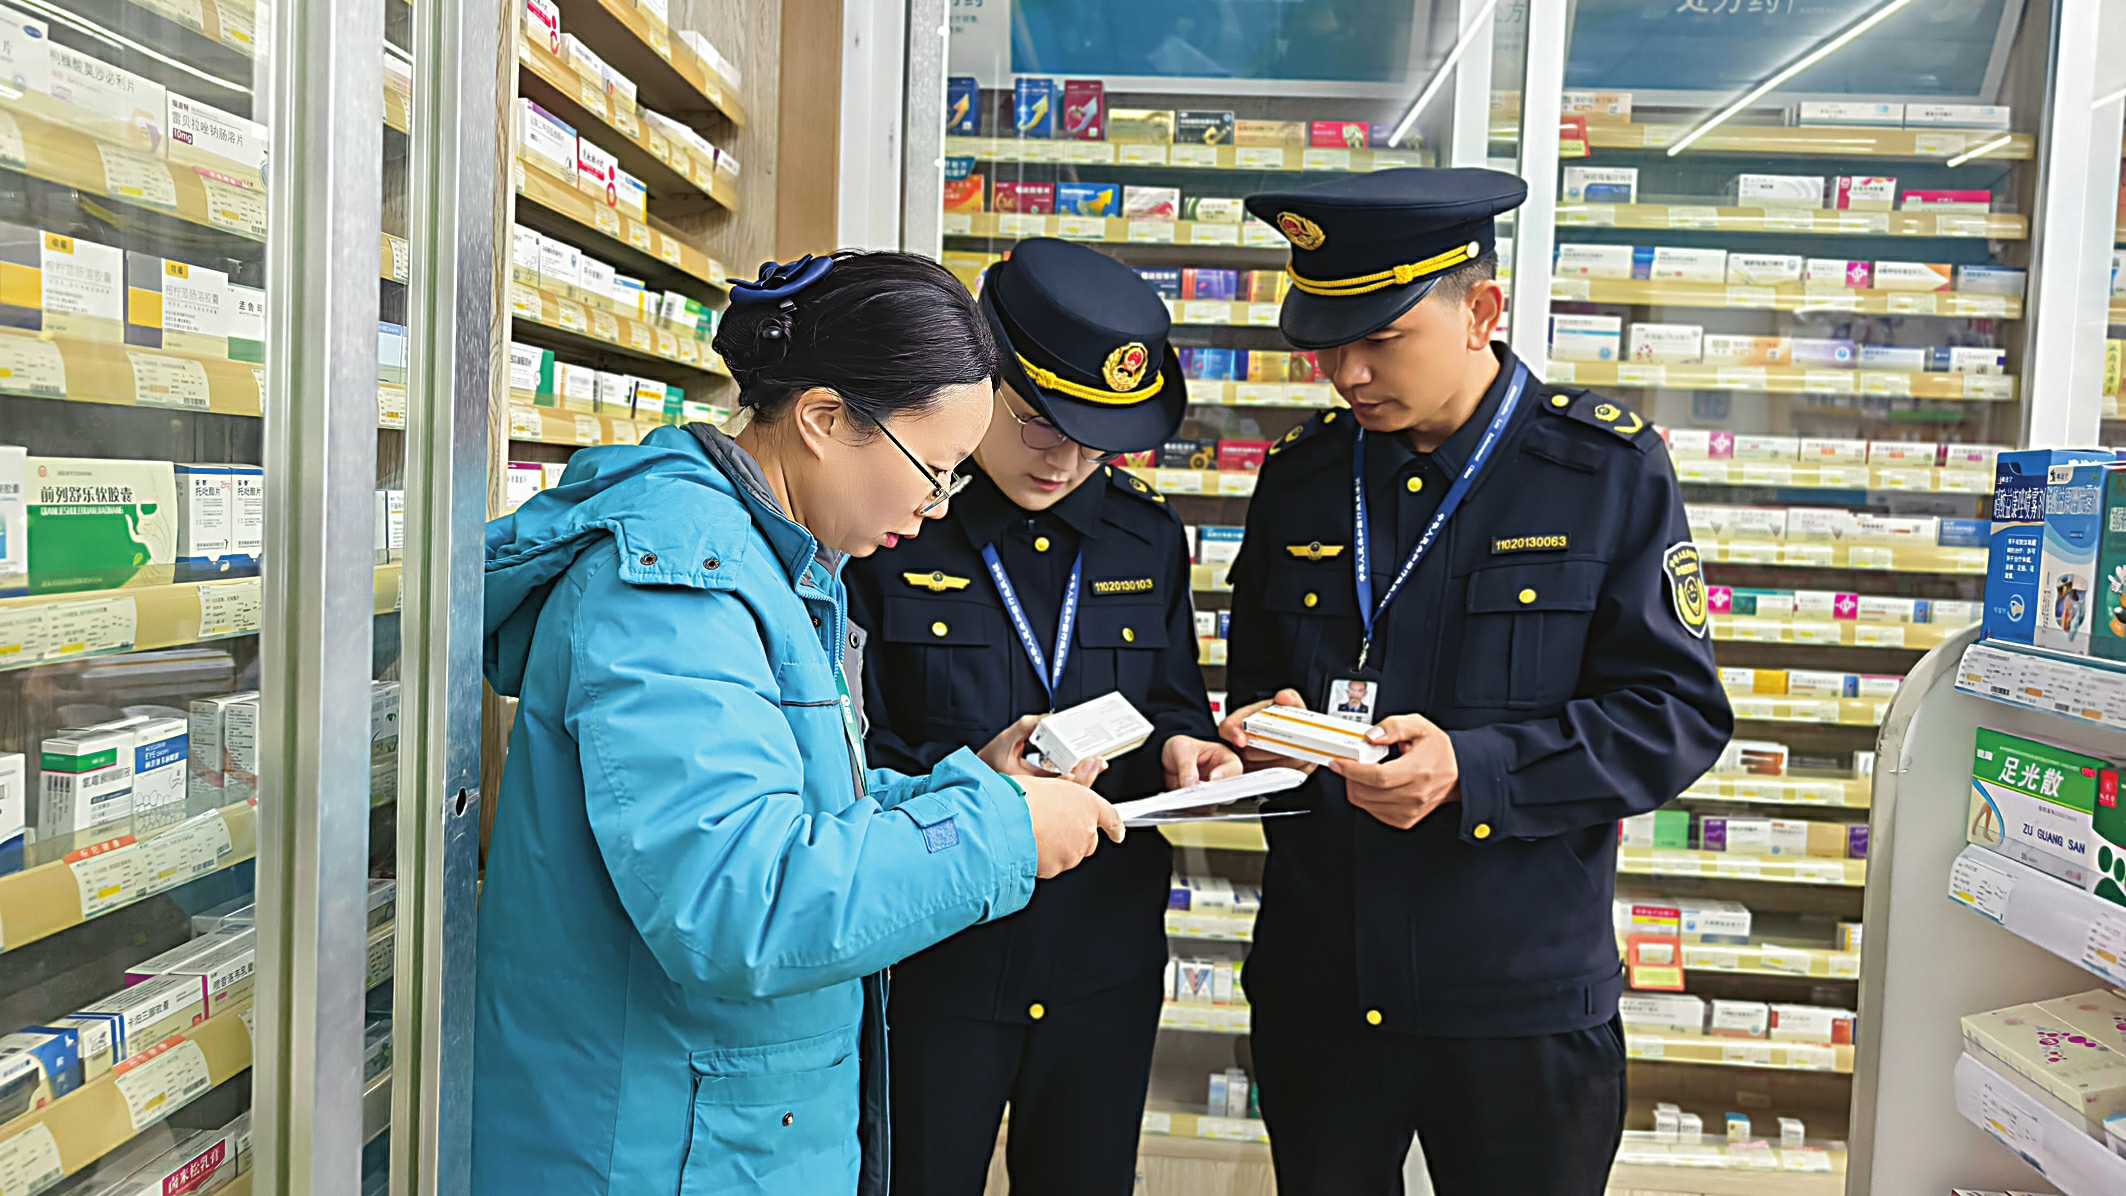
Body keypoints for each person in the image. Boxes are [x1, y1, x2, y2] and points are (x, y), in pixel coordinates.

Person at [471, 251, 1126, 1196]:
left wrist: (978, 788)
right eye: (933, 470)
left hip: (716, 1128)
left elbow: (794, 806)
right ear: (823, 420)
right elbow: (737, 898)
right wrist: (1003, 835)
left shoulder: (771, 562)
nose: (936, 505)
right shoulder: (677, 587)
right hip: (656, 1147)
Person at [1216, 169, 1733, 1193]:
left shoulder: (1602, 471)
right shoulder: (1302, 477)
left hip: (1517, 1005)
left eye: (1380, 338)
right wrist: (1271, 731)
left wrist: (1473, 769)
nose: (1347, 373)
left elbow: (1674, 716)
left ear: (1481, 312)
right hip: (1323, 990)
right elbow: (1260, 686)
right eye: (1326, 342)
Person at [845, 238, 1242, 1195]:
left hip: (1103, 955)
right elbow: (848, 752)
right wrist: (973, 780)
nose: (1065, 460)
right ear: (983, 378)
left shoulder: (1145, 533)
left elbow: (1170, 697)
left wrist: (1188, 748)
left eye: (1097, 438)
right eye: (1037, 424)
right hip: (939, 948)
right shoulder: (892, 527)